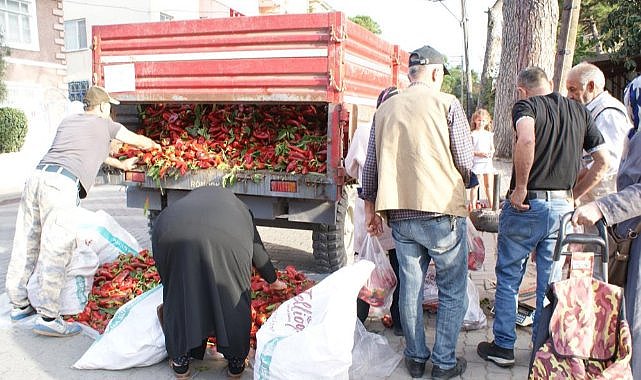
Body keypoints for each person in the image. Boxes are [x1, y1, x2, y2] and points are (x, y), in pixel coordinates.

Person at [477, 67, 608, 368]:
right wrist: (574, 194)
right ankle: (539, 350)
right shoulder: (579, 111)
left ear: (522, 91)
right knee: (548, 281)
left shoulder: (525, 107)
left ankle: (504, 347)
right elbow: (604, 160)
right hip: (562, 208)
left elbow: (525, 139)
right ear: (550, 85)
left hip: (528, 206)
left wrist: (520, 188)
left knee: (510, 277)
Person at [5, 86, 159, 337]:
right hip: (61, 185)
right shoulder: (104, 125)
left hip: (37, 178)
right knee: (57, 248)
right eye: (108, 106)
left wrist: (120, 164)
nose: (110, 111)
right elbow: (135, 139)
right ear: (100, 107)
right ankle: (48, 317)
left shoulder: (70, 121)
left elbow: (88, 151)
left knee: (27, 242)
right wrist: (155, 145)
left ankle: (19, 304)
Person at [361, 45, 474, 379]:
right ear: (437, 73)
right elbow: (465, 162)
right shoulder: (447, 103)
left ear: (411, 74)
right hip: (440, 211)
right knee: (452, 290)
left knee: (410, 288)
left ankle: (414, 358)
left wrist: (371, 207)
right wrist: (466, 183)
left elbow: (371, 167)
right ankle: (443, 363)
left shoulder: (386, 108)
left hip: (401, 215)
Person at [152, 186, 286, 379]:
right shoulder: (240, 209)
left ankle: (180, 361)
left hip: (168, 230)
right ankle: (236, 364)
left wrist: (170, 279)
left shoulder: (182, 204)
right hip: (225, 239)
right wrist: (273, 280)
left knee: (180, 292)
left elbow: (163, 268)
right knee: (232, 292)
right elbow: (258, 252)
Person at [572, 74, 641, 375]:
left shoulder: (609, 116)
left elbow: (609, 167)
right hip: (625, 226)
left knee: (636, 316)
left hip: (616, 216)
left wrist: (600, 206)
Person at [345, 86, 402, 336]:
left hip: (368, 208)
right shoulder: (404, 130)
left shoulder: (365, 130)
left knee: (365, 265)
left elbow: (350, 167)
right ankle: (401, 322)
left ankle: (360, 317)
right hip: (395, 209)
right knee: (401, 267)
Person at [566, 62, 633, 203]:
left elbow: (606, 164)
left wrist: (572, 194)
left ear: (590, 86)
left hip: (602, 200)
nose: (569, 96)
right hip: (588, 198)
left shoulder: (608, 114)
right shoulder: (589, 111)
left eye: (573, 90)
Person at [468, 108, 495, 210]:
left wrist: (491, 153)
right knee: (475, 185)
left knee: (489, 185)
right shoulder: (472, 134)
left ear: (487, 121)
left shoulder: (489, 134)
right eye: (479, 120)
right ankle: (473, 207)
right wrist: (479, 154)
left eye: (483, 120)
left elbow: (492, 148)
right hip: (476, 162)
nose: (481, 122)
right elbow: (469, 150)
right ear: (475, 120)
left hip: (487, 163)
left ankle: (493, 206)